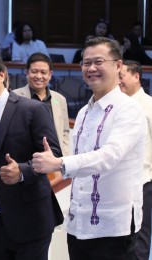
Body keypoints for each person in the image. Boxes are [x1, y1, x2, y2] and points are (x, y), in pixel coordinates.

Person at [32, 37, 146, 260]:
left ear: (118, 65)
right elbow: (81, 160)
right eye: (85, 63)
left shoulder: (128, 109)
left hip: (114, 227)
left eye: (98, 61)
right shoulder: (84, 111)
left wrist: (59, 163)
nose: (91, 68)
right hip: (79, 223)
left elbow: (109, 157)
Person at [0, 49, 63, 260]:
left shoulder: (32, 109)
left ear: (2, 74)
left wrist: (23, 171)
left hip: (30, 220)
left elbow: (53, 155)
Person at [119, 60, 152, 260]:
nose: (118, 82)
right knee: (120, 237)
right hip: (118, 182)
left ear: (136, 76)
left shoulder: (149, 105)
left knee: (140, 236)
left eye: (121, 76)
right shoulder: (117, 105)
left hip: (143, 181)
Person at [14, 52, 70, 156]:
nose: (39, 76)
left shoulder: (60, 99)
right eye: (34, 71)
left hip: (54, 159)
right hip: (26, 159)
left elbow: (65, 131)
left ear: (50, 75)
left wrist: (65, 154)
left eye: (43, 72)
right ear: (27, 72)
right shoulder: (14, 96)